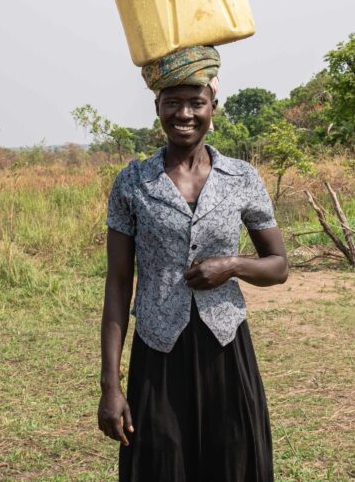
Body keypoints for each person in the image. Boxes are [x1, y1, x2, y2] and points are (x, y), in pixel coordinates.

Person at [97, 46, 288, 482]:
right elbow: (118, 285)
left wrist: (232, 265)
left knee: (233, 461)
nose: (185, 113)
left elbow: (278, 265)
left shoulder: (241, 177)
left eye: (196, 102)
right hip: (159, 351)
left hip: (226, 349)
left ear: (213, 106)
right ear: (157, 108)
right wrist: (111, 388)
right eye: (173, 102)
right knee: (162, 462)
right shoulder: (132, 182)